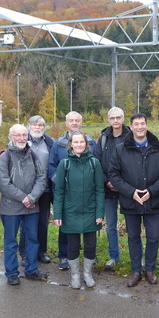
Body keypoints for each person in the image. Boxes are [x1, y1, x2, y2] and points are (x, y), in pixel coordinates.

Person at [109, 113, 159, 287]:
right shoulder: (121, 149)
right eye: (136, 124)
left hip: (153, 201)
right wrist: (131, 192)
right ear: (131, 127)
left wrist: (151, 191)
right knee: (134, 238)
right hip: (131, 202)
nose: (139, 127)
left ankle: (150, 270)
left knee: (153, 237)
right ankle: (136, 270)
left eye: (142, 123)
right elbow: (114, 174)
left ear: (146, 125)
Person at [53, 130, 105, 289]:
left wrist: (99, 213)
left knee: (90, 245)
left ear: (86, 144)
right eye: (75, 142)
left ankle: (88, 274)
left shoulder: (94, 163)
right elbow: (59, 191)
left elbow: (99, 190)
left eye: (81, 142)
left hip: (90, 211)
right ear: (71, 145)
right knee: (73, 246)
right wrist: (58, 214)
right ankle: (75, 275)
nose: (79, 145)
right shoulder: (64, 164)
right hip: (70, 212)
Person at [0, 124, 48, 285]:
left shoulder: (32, 154)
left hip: (32, 207)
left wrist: (32, 197)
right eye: (17, 135)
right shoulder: (5, 157)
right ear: (11, 137)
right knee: (11, 241)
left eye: (24, 135)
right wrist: (24, 198)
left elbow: (41, 177)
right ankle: (12, 273)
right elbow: (4, 183)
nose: (21, 138)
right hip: (11, 207)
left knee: (32, 239)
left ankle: (32, 270)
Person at [48, 111, 96, 271]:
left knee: (89, 228)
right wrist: (62, 181)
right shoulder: (58, 143)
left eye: (77, 120)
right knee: (65, 226)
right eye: (71, 120)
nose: (74, 123)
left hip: (86, 193)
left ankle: (89, 257)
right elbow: (51, 165)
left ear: (81, 123)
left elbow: (96, 164)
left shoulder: (90, 142)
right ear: (66, 123)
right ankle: (64, 256)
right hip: (65, 193)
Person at [94, 107, 131, 270]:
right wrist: (106, 181)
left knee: (133, 225)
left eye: (118, 117)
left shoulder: (131, 137)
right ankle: (114, 256)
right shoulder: (103, 139)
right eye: (112, 118)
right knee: (111, 225)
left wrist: (122, 184)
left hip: (127, 190)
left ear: (123, 119)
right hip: (108, 189)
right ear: (109, 120)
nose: (115, 121)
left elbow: (135, 163)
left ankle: (136, 257)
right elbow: (97, 163)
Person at [19, 115, 54, 266]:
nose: (38, 128)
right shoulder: (23, 142)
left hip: (45, 189)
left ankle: (41, 252)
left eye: (40, 125)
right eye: (34, 125)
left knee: (42, 222)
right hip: (27, 190)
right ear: (29, 127)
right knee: (26, 223)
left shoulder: (50, 142)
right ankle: (25, 253)